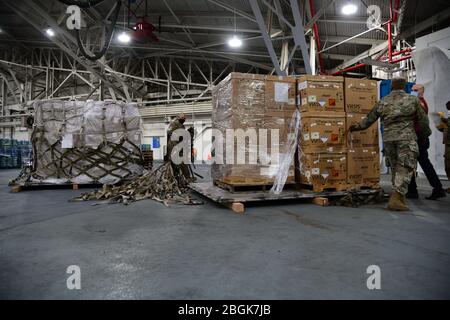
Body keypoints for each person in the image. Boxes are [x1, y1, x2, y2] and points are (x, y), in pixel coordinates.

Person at [349, 78, 431, 211]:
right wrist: (423, 137)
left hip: (389, 139)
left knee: (394, 167)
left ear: (392, 87)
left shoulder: (383, 101)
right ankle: (397, 198)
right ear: (404, 87)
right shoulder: (413, 100)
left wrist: (354, 127)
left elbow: (368, 120)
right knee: (404, 167)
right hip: (406, 139)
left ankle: (398, 196)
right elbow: (423, 122)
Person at [406, 84, 446, 200]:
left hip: (417, 139)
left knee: (411, 165)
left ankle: (413, 191)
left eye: (415, 90)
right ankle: (437, 188)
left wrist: (420, 137)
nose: (412, 92)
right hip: (419, 139)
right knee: (424, 164)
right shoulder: (420, 102)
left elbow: (421, 124)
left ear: (421, 91)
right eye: (411, 90)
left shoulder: (419, 103)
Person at [437, 101, 450, 193]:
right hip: (448, 143)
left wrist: (444, 120)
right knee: (448, 166)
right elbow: (444, 129)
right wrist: (439, 124)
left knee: (449, 166)